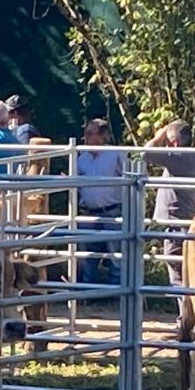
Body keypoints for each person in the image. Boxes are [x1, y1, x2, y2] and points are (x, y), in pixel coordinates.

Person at [149, 120, 195, 285]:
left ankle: (183, 309)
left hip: (175, 223)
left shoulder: (177, 156)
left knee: (177, 272)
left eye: (167, 142)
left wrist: (159, 136)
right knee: (187, 271)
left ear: (175, 142)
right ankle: (187, 308)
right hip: (189, 219)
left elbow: (145, 153)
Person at [76, 118, 128, 286]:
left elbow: (128, 177)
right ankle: (89, 289)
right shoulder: (81, 158)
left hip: (112, 211)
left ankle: (117, 289)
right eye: (87, 134)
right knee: (87, 254)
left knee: (116, 253)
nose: (88, 138)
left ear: (104, 136)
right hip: (89, 212)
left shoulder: (116, 154)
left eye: (92, 133)